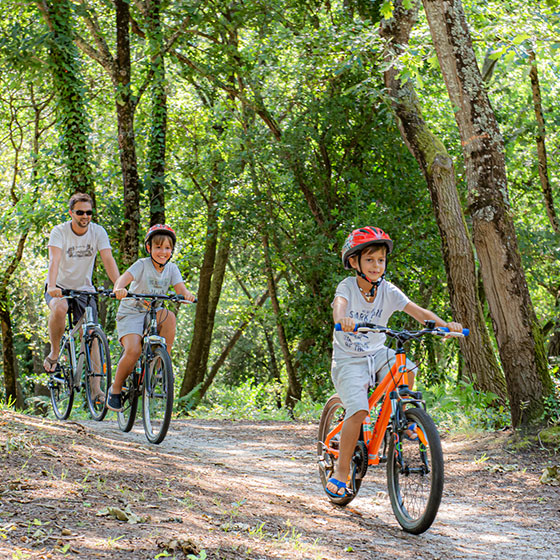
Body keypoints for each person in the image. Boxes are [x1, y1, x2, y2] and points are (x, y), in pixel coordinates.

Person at [326, 226, 463, 499]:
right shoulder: (348, 287)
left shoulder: (388, 290)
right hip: (349, 359)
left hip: (377, 353)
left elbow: (418, 311)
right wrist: (343, 320)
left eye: (381, 260)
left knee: (407, 367)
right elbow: (339, 306)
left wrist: (445, 326)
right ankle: (341, 471)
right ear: (354, 262)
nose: (376, 265)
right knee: (359, 411)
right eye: (369, 260)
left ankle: (403, 419)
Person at [107, 224, 196, 412]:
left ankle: (163, 365)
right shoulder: (142, 265)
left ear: (171, 250)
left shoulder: (172, 269)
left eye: (167, 248)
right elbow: (123, 279)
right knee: (133, 350)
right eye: (158, 247)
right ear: (149, 248)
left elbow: (181, 289)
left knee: (169, 316)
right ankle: (115, 389)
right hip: (131, 312)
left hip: (154, 313)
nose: (163, 252)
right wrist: (119, 289)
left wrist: (186, 295)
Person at [44, 193, 120, 402]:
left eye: (88, 212)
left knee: (93, 335)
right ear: (71, 213)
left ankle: (96, 390)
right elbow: (54, 260)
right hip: (59, 288)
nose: (85, 216)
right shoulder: (60, 232)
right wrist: (51, 286)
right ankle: (55, 352)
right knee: (59, 308)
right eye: (80, 212)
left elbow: (108, 259)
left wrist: (120, 286)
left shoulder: (98, 232)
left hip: (85, 290)